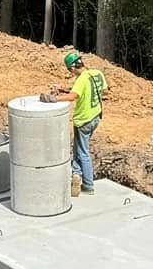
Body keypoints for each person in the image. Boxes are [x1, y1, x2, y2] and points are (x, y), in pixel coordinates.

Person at [43, 50, 108, 194]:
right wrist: (64, 89)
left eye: (70, 70)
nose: (71, 73)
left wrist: (53, 99)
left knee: (83, 152)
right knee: (78, 149)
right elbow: (102, 90)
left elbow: (73, 97)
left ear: (72, 68)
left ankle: (88, 186)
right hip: (96, 116)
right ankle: (76, 175)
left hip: (83, 121)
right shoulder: (96, 73)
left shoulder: (82, 79)